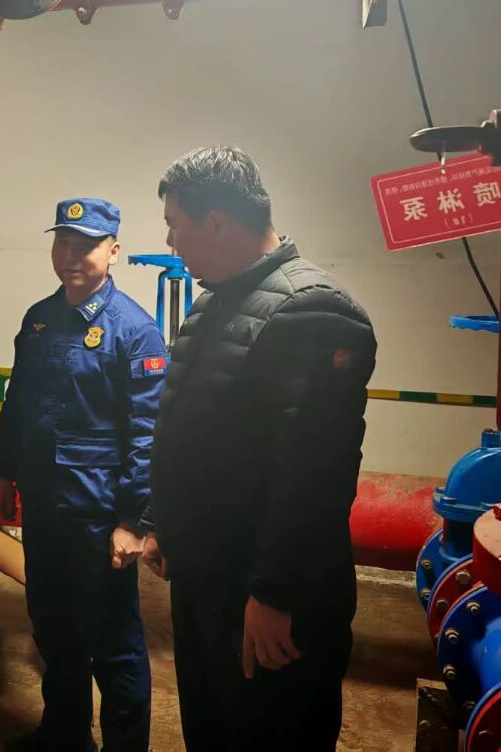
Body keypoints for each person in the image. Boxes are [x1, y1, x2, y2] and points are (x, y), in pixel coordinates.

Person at [139, 146, 376, 751]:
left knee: (269, 732)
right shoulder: (215, 302)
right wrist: (163, 523)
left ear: (217, 223)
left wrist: (274, 594)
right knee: (212, 729)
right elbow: (187, 427)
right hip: (208, 581)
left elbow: (312, 477)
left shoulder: (314, 311)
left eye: (175, 226)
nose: (170, 242)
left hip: (264, 598)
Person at [0, 198, 166, 752]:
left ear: (113, 251)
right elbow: (18, 405)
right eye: (63, 242)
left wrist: (133, 521)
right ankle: (64, 735)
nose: (71, 254)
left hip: (99, 516)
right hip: (45, 507)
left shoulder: (134, 331)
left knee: (113, 645)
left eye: (86, 245)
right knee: (54, 628)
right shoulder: (39, 320)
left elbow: (147, 437)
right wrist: (5, 474)